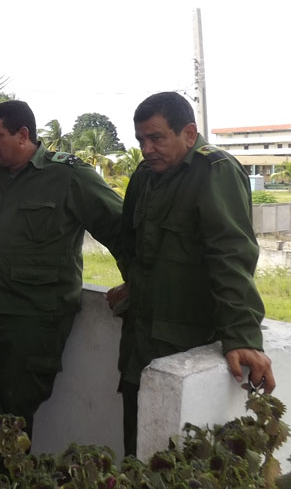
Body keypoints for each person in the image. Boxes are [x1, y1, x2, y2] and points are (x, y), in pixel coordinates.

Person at [0, 100, 123, 473]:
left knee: (16, 405)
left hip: (36, 313)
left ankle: (2, 487)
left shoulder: (70, 176)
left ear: (23, 134)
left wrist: (137, 281)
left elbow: (121, 229)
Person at [106, 91, 276, 456]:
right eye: (140, 140)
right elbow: (131, 243)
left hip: (187, 336)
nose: (147, 149)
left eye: (156, 138)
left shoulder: (214, 171)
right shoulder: (144, 176)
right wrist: (134, 284)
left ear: (188, 132)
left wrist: (241, 334)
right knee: (136, 445)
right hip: (141, 339)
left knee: (180, 459)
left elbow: (231, 255)